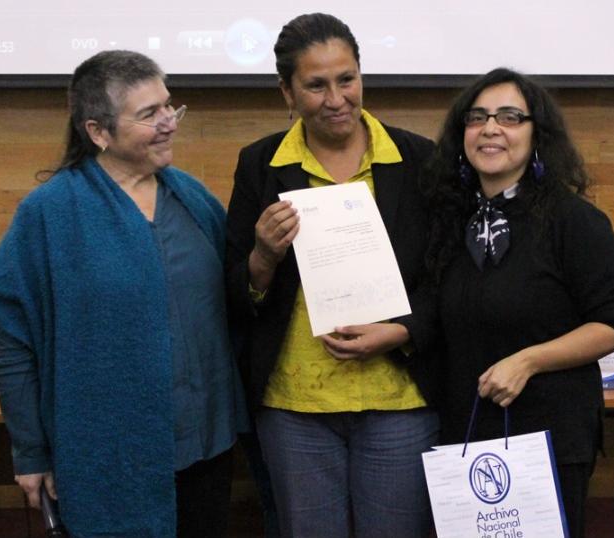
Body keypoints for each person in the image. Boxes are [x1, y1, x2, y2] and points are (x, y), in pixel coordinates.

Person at [0, 50, 246, 538]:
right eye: (149, 114)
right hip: (108, 458)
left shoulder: (192, 197)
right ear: (98, 131)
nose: (168, 123)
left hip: (206, 449)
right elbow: (16, 343)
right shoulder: (50, 213)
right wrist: (30, 452)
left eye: (170, 107)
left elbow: (230, 303)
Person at [225, 13, 440, 538]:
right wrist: (264, 256)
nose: (336, 97)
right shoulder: (260, 164)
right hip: (295, 405)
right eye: (316, 85)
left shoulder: (419, 160)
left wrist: (404, 330)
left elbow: (449, 278)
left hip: (401, 399)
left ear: (362, 75)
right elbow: (234, 286)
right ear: (287, 92)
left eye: (347, 79)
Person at [423, 67, 614, 538]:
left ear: (537, 133)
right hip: (464, 438)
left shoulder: (573, 220)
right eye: (477, 117)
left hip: (550, 440)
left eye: (509, 117)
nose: (490, 128)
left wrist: (528, 361)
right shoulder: (447, 222)